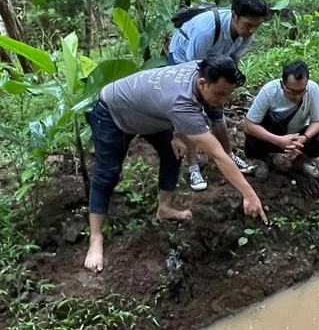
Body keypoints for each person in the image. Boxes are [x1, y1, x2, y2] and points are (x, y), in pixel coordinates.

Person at [84, 55, 267, 273]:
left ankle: (164, 208)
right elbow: (218, 154)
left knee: (172, 152)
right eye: (219, 94)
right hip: (111, 112)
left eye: (228, 94)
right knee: (107, 174)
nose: (223, 101)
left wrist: (178, 132)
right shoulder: (182, 103)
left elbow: (166, 96)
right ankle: (95, 238)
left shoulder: (200, 67)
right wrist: (249, 194)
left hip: (148, 112)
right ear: (202, 83)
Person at [168, 0, 270, 191]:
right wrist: (202, 99)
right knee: (191, 114)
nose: (251, 30)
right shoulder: (205, 32)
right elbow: (191, 71)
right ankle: (194, 167)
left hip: (215, 60)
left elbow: (234, 59)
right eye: (248, 25)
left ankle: (229, 155)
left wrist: (223, 92)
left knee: (217, 112)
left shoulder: (245, 32)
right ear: (234, 16)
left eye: (255, 26)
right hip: (184, 61)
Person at [243, 60, 319, 176]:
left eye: (302, 91)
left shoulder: (313, 89)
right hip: (272, 137)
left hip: (297, 138)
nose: (298, 96)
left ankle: (298, 162)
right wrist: (278, 140)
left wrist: (304, 138)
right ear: (282, 84)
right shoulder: (269, 91)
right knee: (253, 135)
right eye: (292, 92)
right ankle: (261, 160)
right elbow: (249, 125)